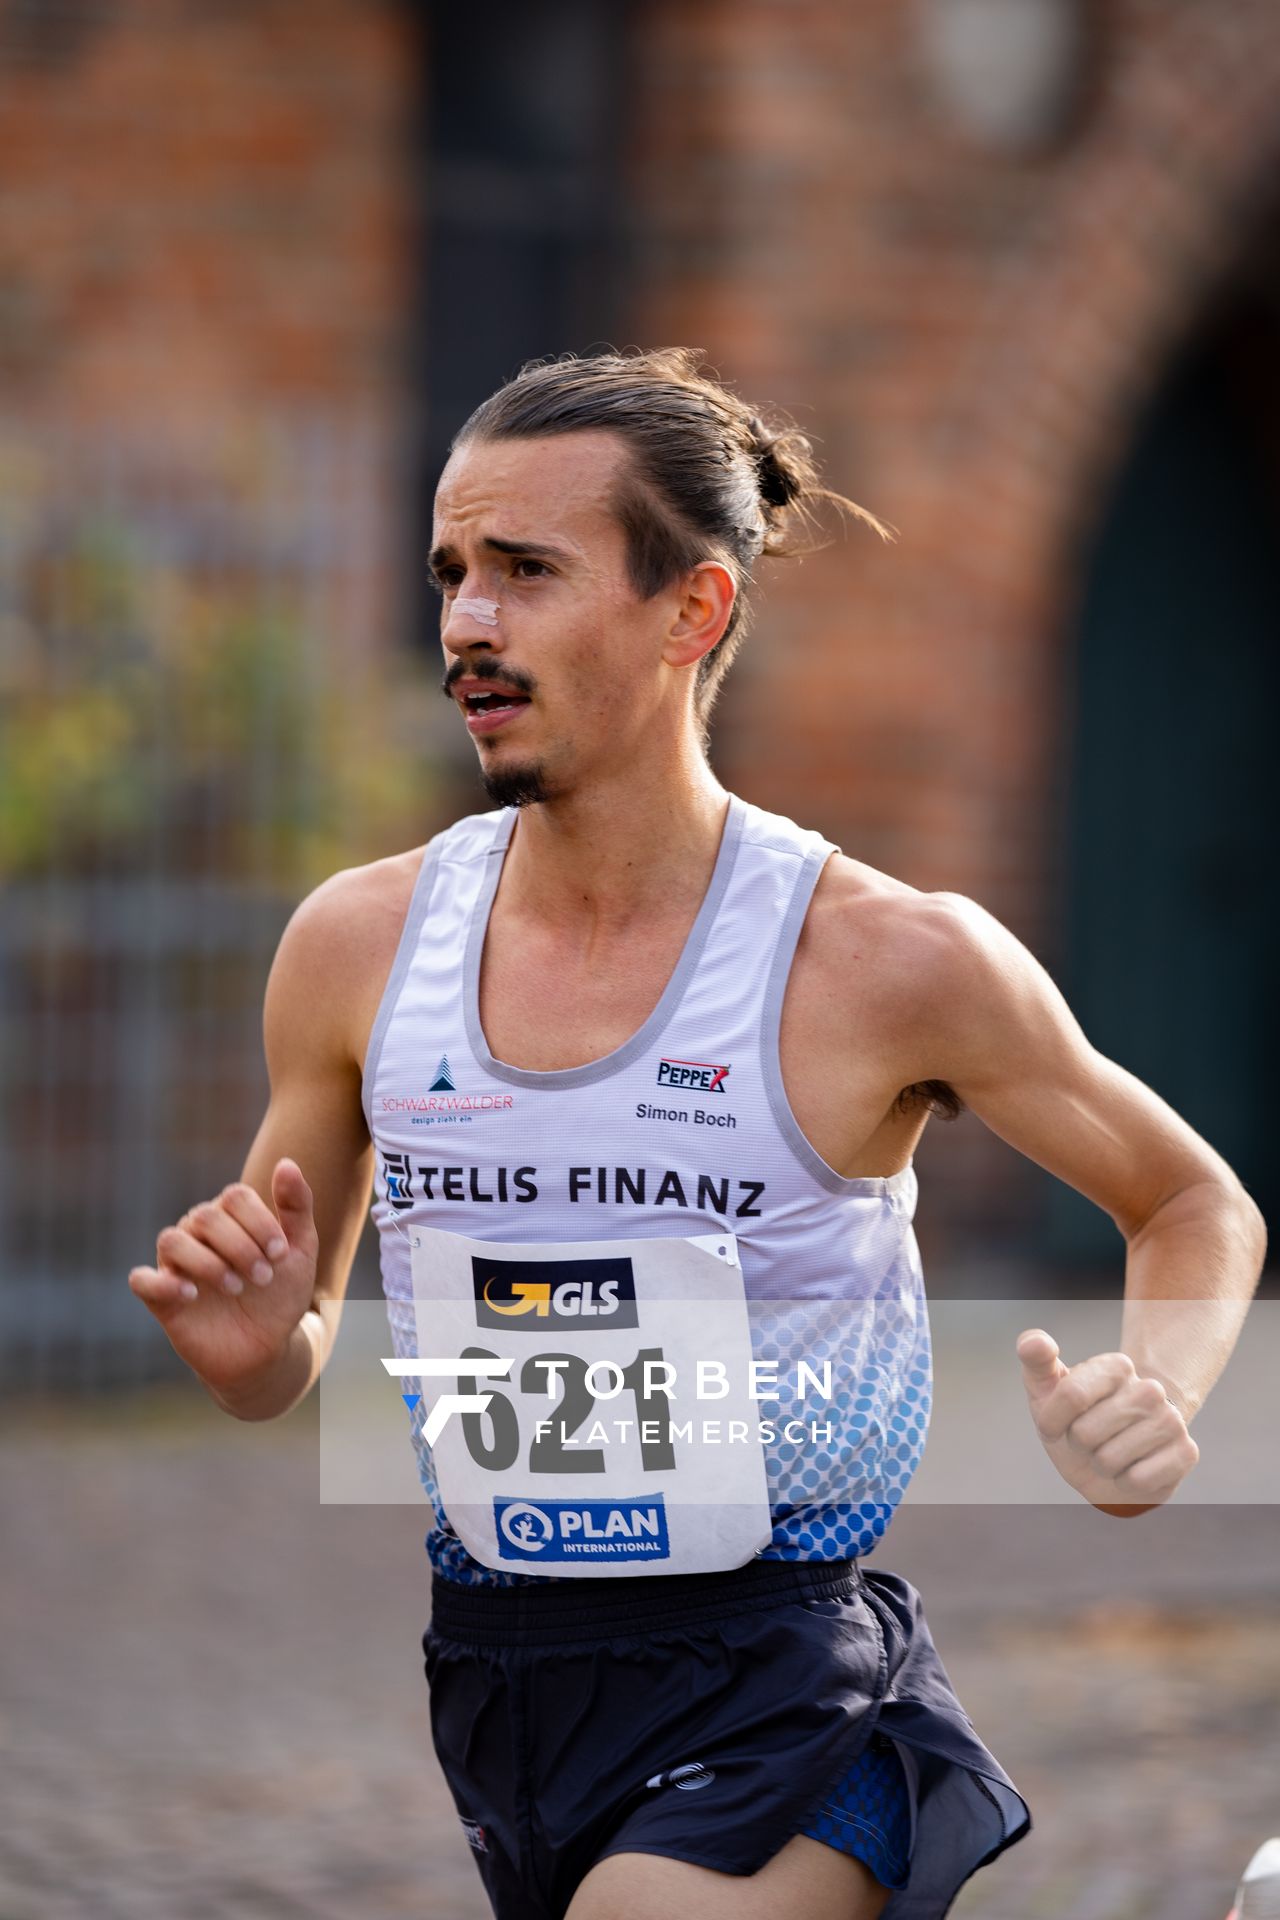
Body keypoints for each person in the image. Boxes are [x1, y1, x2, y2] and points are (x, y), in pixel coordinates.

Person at [128, 346, 1266, 1920]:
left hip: (790, 1677)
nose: (465, 622)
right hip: (501, 1674)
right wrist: (257, 1342)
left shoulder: (885, 958)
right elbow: (285, 1358)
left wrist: (1159, 1392)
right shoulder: (356, 946)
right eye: (453, 571)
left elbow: (1192, 1200)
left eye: (527, 572)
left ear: (695, 611)